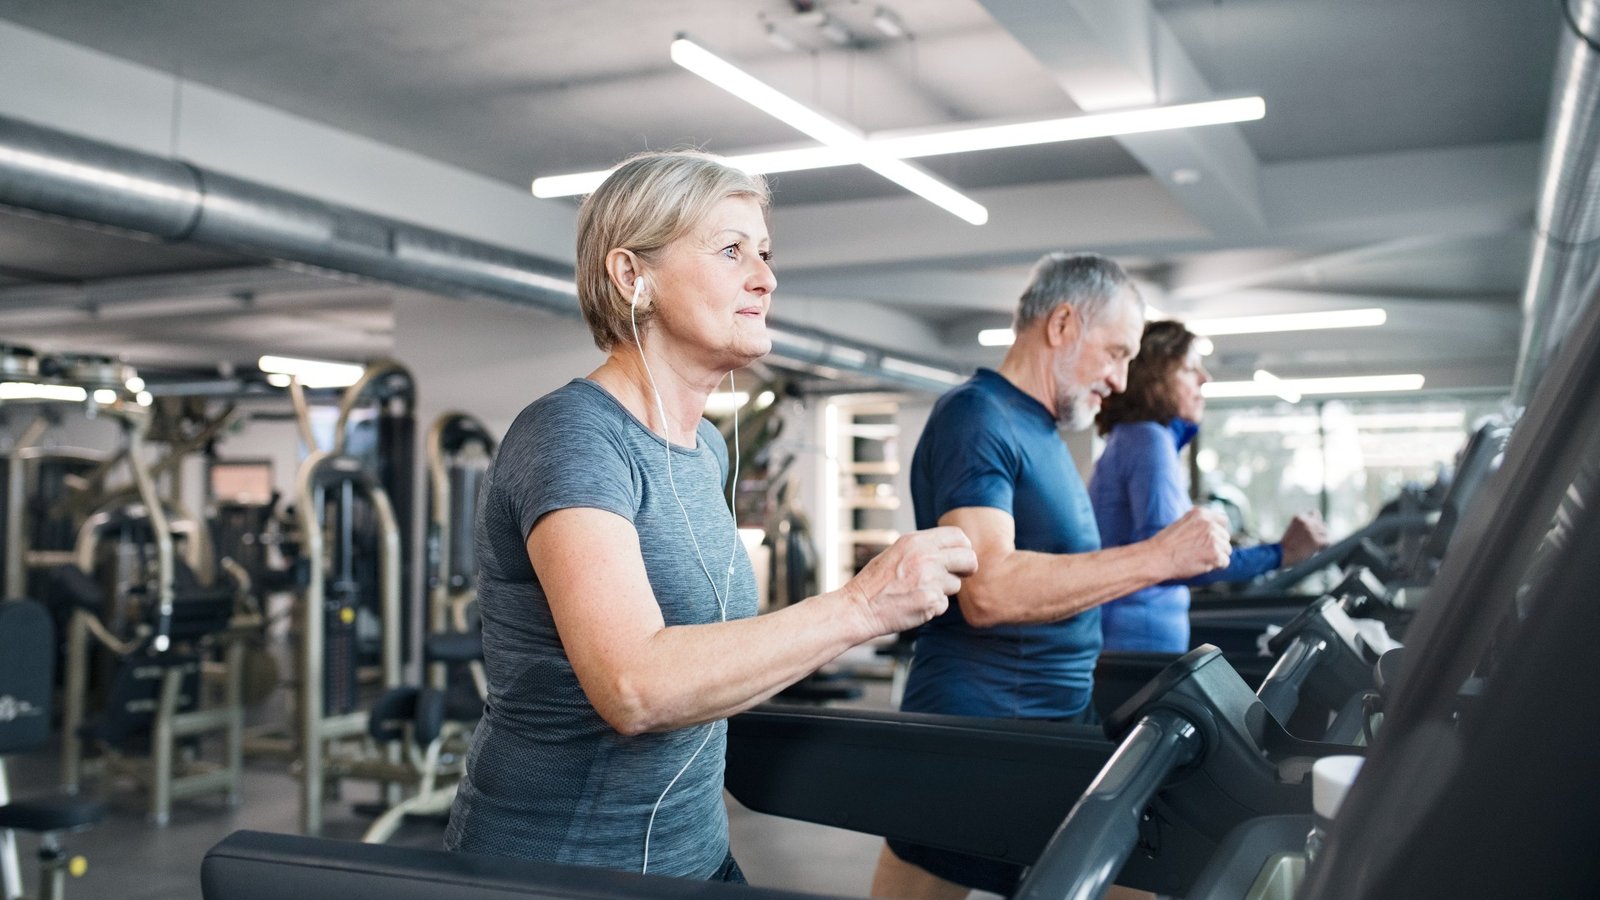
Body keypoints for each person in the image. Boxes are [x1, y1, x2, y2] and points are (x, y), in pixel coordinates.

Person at [444, 151, 977, 882]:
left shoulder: (702, 452)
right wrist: (865, 604)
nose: (765, 277)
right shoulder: (571, 436)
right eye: (731, 251)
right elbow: (634, 687)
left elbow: (713, 666)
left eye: (763, 253)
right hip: (561, 868)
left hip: (692, 856)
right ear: (633, 276)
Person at [869, 252, 1235, 900]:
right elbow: (989, 590)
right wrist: (1159, 557)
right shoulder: (976, 414)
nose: (1121, 380)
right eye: (1116, 353)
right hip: (983, 734)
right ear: (1063, 325)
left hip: (1056, 719)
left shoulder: (1040, 431)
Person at [1089, 320, 1331, 653]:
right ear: (1155, 380)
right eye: (1190, 369)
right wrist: (1280, 553)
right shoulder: (1148, 440)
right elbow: (1174, 560)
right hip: (1137, 640)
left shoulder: (1136, 438)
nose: (1205, 378)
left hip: (1129, 633)